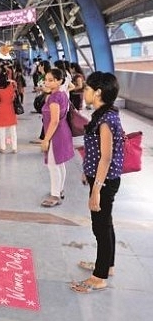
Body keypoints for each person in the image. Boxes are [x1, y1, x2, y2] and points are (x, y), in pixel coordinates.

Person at [71, 72, 123, 294]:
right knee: (105, 224)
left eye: (88, 89)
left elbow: (106, 157)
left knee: (100, 227)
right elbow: (96, 152)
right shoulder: (105, 114)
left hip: (104, 181)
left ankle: (99, 276)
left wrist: (96, 191)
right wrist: (87, 172)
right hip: (100, 178)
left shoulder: (106, 120)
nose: (85, 92)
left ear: (98, 92)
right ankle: (107, 265)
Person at [40, 68, 74, 207]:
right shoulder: (62, 94)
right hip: (63, 131)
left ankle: (55, 196)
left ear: (59, 81)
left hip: (55, 134)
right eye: (46, 79)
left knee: (53, 165)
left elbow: (54, 120)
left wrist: (46, 139)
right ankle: (59, 190)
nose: (47, 82)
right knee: (60, 164)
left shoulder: (54, 97)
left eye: (51, 80)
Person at [0, 72, 18, 153]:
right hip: (10, 109)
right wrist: (12, 82)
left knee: (2, 131)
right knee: (13, 131)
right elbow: (14, 95)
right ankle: (14, 148)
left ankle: (3, 148)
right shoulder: (11, 86)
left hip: (2, 110)